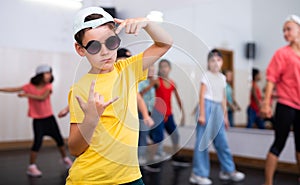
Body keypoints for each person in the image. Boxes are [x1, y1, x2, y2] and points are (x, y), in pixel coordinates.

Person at [66, 6, 172, 185]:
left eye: (111, 43)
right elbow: (75, 149)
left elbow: (164, 43)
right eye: (93, 46)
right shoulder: (80, 89)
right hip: (90, 180)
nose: (105, 52)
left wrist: (147, 24)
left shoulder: (127, 70)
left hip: (130, 177)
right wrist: (91, 119)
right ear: (80, 49)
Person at [0, 65, 73, 177]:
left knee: (59, 140)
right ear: (40, 75)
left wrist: (27, 95)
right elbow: (14, 89)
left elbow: (43, 97)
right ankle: (31, 167)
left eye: (50, 73)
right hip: (38, 120)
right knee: (37, 142)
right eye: (47, 73)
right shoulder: (29, 86)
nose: (49, 76)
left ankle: (64, 159)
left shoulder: (48, 86)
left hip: (49, 118)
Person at [189, 49, 245, 185]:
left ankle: (228, 170)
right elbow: (201, 95)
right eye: (212, 60)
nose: (215, 63)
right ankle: (198, 174)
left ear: (222, 62)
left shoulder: (222, 78)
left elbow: (223, 98)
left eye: (218, 60)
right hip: (206, 107)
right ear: (208, 63)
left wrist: (225, 117)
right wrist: (202, 114)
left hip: (218, 109)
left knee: (222, 142)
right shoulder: (206, 76)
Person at [261, 15, 300, 185]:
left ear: (299, 29)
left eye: (288, 29)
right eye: (283, 30)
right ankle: (268, 183)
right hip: (286, 104)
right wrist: (266, 103)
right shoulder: (282, 54)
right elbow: (271, 79)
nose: (285, 33)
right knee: (279, 143)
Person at [141, 59, 186, 166]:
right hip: (157, 114)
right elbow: (143, 93)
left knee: (175, 135)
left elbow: (178, 99)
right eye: (161, 66)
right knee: (158, 138)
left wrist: (183, 114)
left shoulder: (172, 83)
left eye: (165, 66)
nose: (163, 69)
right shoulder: (156, 81)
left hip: (169, 114)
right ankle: (150, 161)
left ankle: (176, 157)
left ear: (169, 69)